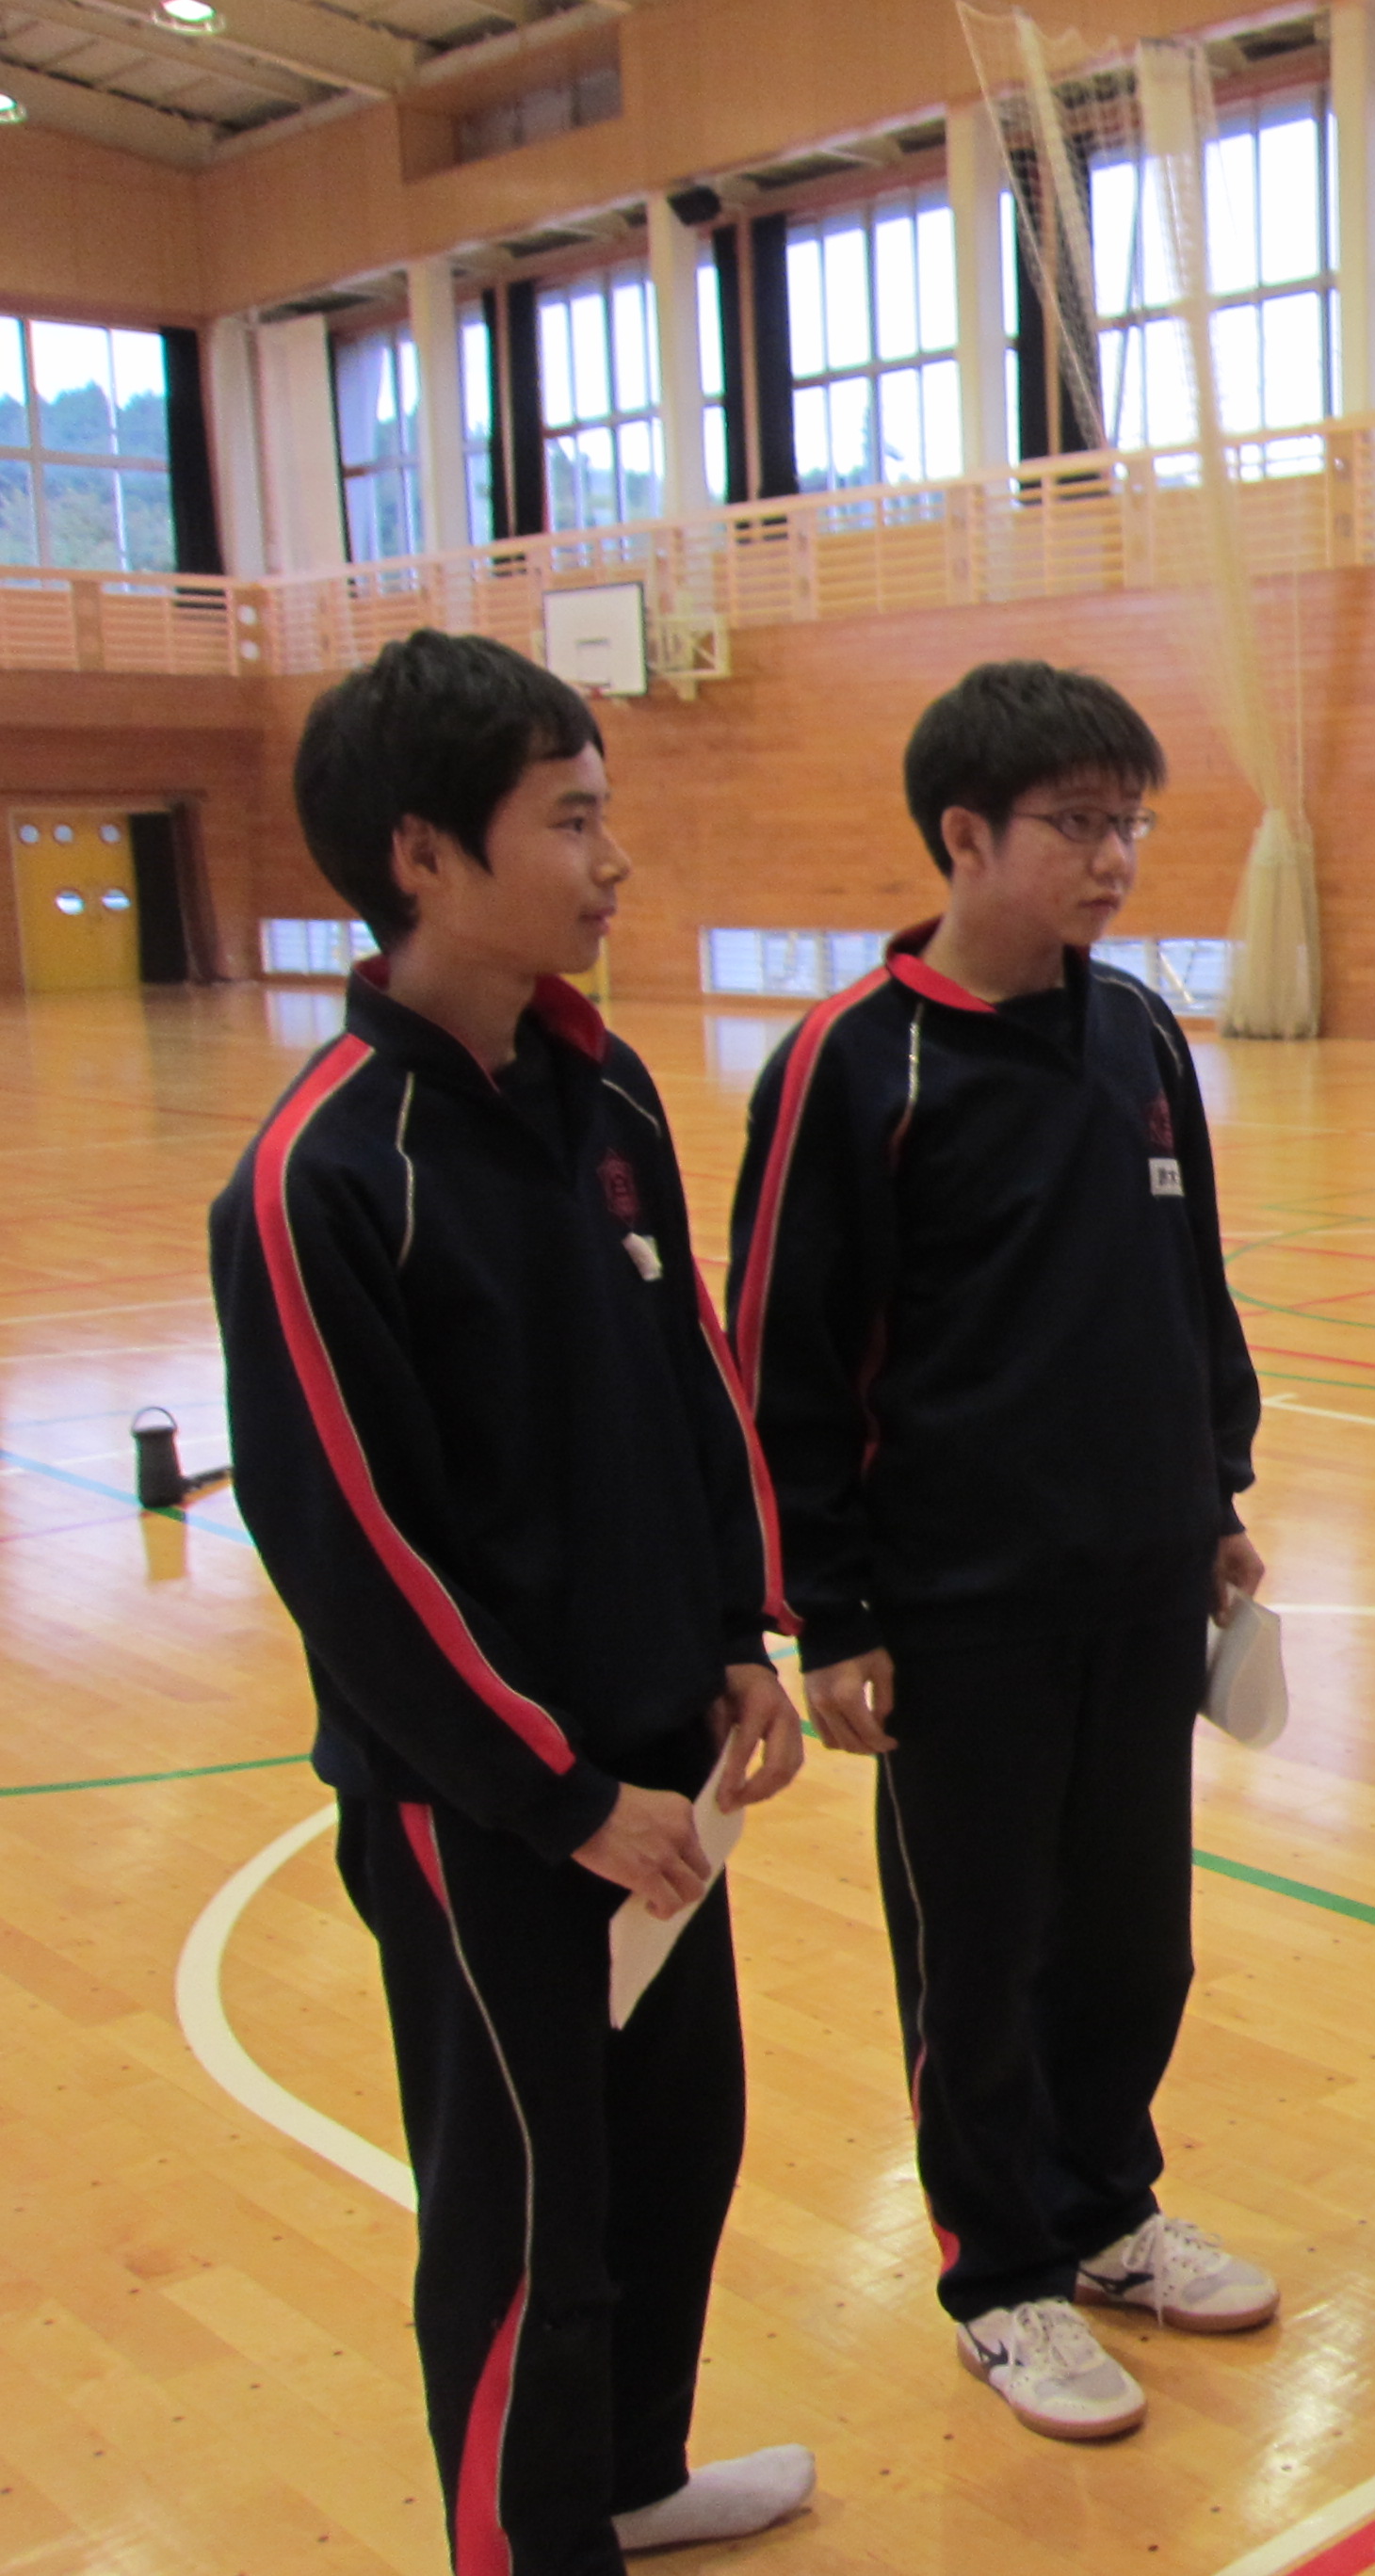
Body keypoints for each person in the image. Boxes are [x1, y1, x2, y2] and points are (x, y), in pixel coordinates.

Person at [211, 629, 816, 2574]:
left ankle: (628, 2480)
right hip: (486, 1811)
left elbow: (691, 1382)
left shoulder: (604, 1089)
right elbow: (354, 1560)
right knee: (528, 2213)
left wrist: (736, 1642)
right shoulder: (319, 1179)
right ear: (421, 856)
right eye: (568, 820)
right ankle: (526, 2543)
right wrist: (561, 1797)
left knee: (674, 2152)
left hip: (659, 1763)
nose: (611, 859)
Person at [727, 661, 1272, 2445]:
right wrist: (825, 1610)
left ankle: (1107, 2211)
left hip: (1139, 1583)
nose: (1117, 858)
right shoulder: (851, 1065)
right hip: (959, 1616)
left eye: (1132, 823)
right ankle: (1000, 2274)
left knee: (1133, 1941)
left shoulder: (1141, 1037)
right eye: (1078, 824)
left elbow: (1189, 1288)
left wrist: (1213, 1493)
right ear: (964, 834)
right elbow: (781, 1361)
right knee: (982, 1959)